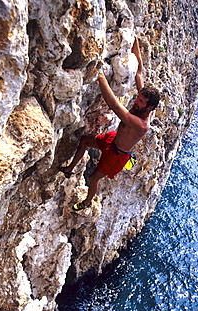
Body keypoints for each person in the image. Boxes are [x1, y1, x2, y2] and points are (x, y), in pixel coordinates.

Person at [59, 37, 160, 211]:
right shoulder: (144, 104)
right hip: (114, 139)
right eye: (138, 97)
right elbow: (139, 73)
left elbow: (114, 105)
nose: (136, 101)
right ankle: (69, 169)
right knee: (84, 141)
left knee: (93, 179)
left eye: (141, 101)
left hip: (117, 155)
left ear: (149, 107)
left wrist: (99, 74)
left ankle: (86, 203)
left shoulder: (141, 124)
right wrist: (134, 41)